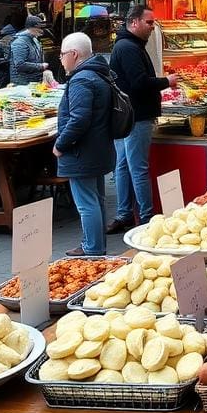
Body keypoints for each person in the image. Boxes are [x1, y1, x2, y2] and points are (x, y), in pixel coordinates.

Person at [107, 5, 178, 232]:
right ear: (134, 22)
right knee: (137, 168)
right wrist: (167, 81)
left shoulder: (127, 45)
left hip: (126, 115)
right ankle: (146, 218)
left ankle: (124, 214)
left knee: (124, 166)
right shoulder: (129, 47)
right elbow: (139, 83)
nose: (152, 26)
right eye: (149, 22)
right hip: (136, 115)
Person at [54, 33, 116, 257]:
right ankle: (96, 246)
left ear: (74, 54)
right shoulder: (99, 75)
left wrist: (60, 144)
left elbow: (79, 119)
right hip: (97, 149)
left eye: (62, 54)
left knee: (86, 203)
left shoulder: (81, 79)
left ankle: (92, 248)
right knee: (96, 199)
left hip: (82, 152)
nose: (60, 59)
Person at [9, 16, 49, 85]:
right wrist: (41, 66)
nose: (42, 31)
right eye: (40, 28)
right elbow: (20, 65)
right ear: (31, 28)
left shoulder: (35, 40)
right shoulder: (20, 42)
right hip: (21, 84)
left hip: (33, 82)